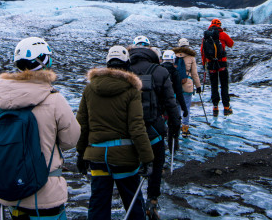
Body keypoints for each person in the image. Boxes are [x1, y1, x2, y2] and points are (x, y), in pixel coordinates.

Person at [0, 37, 80, 220]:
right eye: (48, 58)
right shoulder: (53, 98)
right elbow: (71, 140)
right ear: (43, 60)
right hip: (46, 193)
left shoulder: (1, 102)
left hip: (10, 192)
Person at [76, 45, 154, 220]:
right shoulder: (132, 90)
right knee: (133, 203)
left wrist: (81, 153)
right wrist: (147, 158)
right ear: (127, 65)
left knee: (98, 204)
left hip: (97, 157)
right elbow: (136, 127)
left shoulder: (90, 88)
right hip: (124, 158)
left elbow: (82, 124)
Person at [129, 36, 181, 220]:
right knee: (157, 164)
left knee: (132, 166)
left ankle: (134, 202)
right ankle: (152, 201)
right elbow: (170, 101)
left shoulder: (125, 70)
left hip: (130, 130)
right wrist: (175, 125)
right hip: (156, 128)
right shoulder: (160, 71)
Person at [201, 18, 234, 116]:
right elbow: (231, 44)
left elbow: (202, 51)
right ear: (219, 25)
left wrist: (204, 64)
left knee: (214, 85)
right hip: (222, 63)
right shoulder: (222, 34)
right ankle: (226, 107)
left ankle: (215, 107)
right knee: (224, 85)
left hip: (211, 64)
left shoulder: (206, 36)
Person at [172, 38, 201, 138]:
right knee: (186, 107)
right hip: (187, 84)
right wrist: (198, 86)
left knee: (177, 106)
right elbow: (194, 74)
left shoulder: (173, 56)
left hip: (175, 84)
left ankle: (177, 126)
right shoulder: (191, 57)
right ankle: (185, 129)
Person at [161, 49, 188, 152]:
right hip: (172, 103)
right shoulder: (175, 72)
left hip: (160, 103)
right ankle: (173, 147)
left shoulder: (158, 70)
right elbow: (179, 92)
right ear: (173, 60)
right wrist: (184, 108)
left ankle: (161, 148)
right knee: (173, 125)